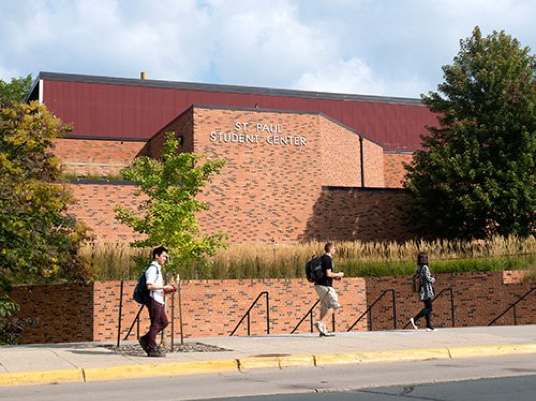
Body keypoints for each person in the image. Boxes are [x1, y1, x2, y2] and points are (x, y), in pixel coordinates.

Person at [138, 246, 175, 357]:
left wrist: (166, 289)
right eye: (164, 256)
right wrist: (164, 288)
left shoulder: (157, 269)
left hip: (158, 299)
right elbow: (149, 286)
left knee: (164, 322)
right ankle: (151, 348)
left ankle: (146, 339)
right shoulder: (152, 269)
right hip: (153, 299)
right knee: (155, 324)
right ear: (156, 256)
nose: (165, 259)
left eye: (166, 257)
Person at [314, 243, 344, 337]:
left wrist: (335, 277)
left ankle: (323, 331)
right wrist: (338, 275)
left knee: (325, 307)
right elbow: (328, 274)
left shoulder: (321, 258)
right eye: (334, 249)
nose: (335, 250)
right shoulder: (328, 259)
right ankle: (321, 323)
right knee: (335, 305)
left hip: (318, 285)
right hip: (325, 286)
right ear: (330, 249)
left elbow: (325, 274)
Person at [409, 252, 436, 331]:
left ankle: (428, 325)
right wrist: (433, 279)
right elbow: (428, 279)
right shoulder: (425, 267)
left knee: (427, 307)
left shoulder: (419, 267)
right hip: (426, 290)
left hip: (423, 290)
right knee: (429, 308)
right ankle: (415, 319)